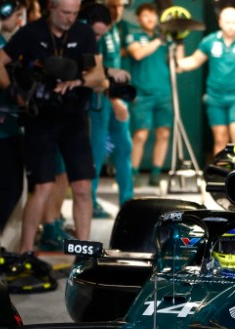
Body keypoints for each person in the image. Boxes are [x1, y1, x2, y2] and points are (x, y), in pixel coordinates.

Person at [0, 0, 104, 255]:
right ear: (51, 8)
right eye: (65, 13)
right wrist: (15, 92)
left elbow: (98, 75)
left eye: (75, 14)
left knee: (83, 188)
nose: (70, 18)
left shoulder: (83, 33)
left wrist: (78, 81)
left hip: (74, 117)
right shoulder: (31, 32)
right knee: (42, 187)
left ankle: (83, 254)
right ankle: (25, 254)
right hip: (40, 118)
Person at [176, 6, 235, 158]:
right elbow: (194, 61)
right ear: (220, 22)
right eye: (227, 22)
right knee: (220, 139)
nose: (231, 25)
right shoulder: (209, 41)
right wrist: (178, 52)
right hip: (215, 98)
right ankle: (221, 177)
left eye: (234, 22)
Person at [89, 0, 133, 208]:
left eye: (123, 5)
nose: (119, 10)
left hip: (116, 95)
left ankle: (128, 200)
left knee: (124, 147)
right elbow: (95, 70)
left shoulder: (115, 28)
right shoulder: (97, 29)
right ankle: (91, 202)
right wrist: (115, 100)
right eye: (115, 5)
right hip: (100, 98)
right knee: (96, 151)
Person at [126, 2, 170, 188]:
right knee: (140, 135)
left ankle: (156, 173)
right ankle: (133, 173)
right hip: (142, 94)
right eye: (145, 15)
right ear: (138, 18)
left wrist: (179, 39)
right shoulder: (133, 36)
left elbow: (178, 62)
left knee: (163, 134)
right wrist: (158, 40)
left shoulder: (165, 40)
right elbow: (137, 54)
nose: (150, 19)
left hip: (164, 93)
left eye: (153, 15)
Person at [0, 0, 26, 232]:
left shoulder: (3, 42)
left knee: (11, 188)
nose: (19, 21)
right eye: (17, 15)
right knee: (7, 187)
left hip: (10, 126)